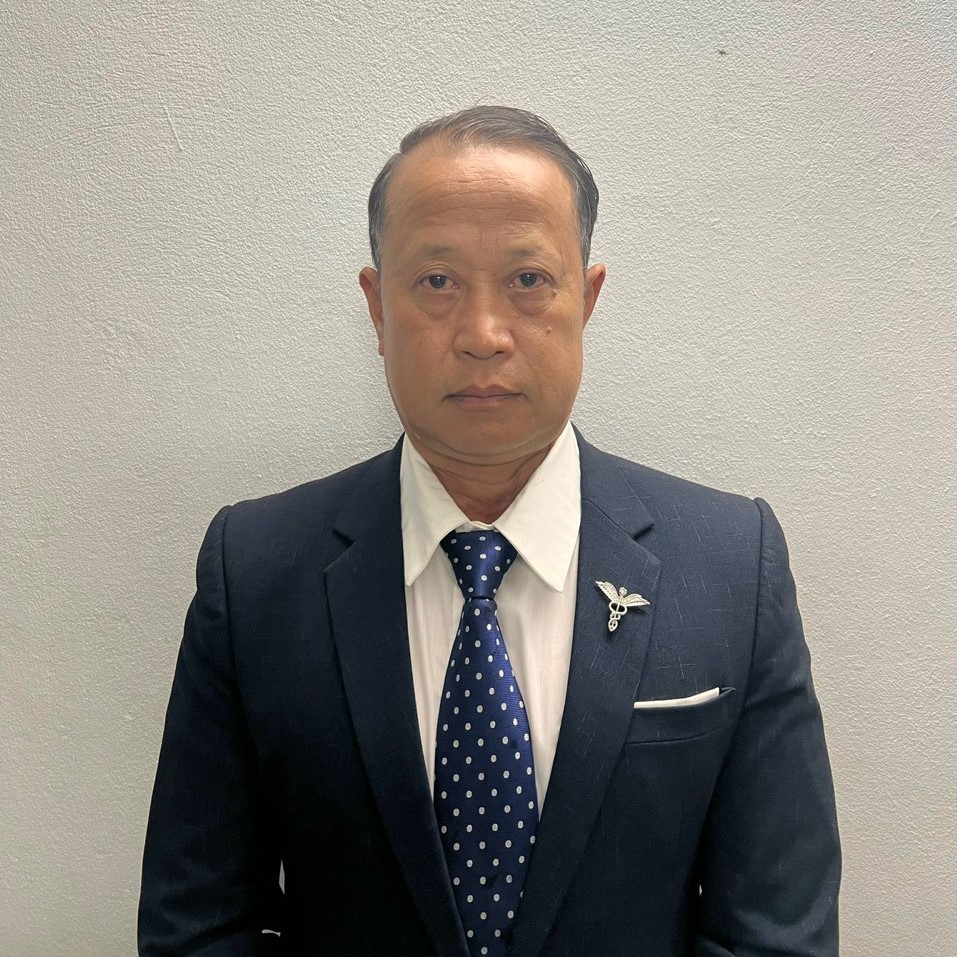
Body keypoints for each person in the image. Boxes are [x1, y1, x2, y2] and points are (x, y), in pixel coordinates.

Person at [139, 106, 841, 957]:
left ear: (586, 299)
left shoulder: (731, 563)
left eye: (528, 279)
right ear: (376, 307)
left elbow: (775, 931)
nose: (482, 335)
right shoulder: (254, 570)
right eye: (436, 281)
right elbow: (199, 924)